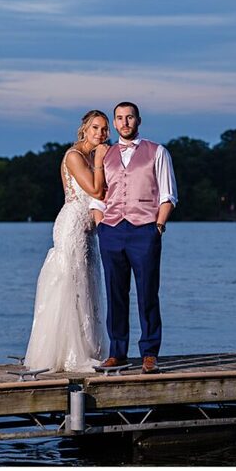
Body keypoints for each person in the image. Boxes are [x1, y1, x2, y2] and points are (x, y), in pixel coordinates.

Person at [91, 101, 178, 373]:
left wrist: (158, 227)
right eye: (119, 118)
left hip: (145, 231)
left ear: (138, 120)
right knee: (115, 294)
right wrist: (101, 225)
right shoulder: (105, 155)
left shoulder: (157, 152)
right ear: (115, 124)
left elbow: (168, 195)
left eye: (129, 117)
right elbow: (98, 196)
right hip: (111, 230)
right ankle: (117, 352)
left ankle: (149, 353)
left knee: (147, 293)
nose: (125, 122)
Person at [24, 110, 110, 372]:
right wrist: (100, 160)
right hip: (72, 225)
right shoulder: (74, 156)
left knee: (89, 285)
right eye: (95, 127)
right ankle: (67, 354)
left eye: (105, 129)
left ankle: (90, 348)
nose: (101, 133)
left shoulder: (93, 155)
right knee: (71, 283)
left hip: (89, 229)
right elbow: (95, 190)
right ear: (84, 129)